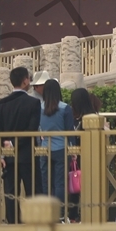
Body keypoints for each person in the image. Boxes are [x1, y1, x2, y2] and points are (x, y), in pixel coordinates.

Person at [0, 68, 42, 223]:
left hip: (8, 156)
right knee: (33, 191)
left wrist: (0, 154)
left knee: (11, 192)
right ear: (25, 81)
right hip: (28, 155)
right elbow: (31, 129)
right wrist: (16, 142)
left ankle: (15, 226)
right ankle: (36, 223)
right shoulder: (33, 103)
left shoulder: (0, 105)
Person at [36, 79, 76, 215]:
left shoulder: (39, 108)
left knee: (46, 183)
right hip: (61, 148)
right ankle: (59, 213)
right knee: (60, 183)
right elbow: (70, 131)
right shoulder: (65, 108)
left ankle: (47, 213)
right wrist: (74, 149)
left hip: (44, 148)